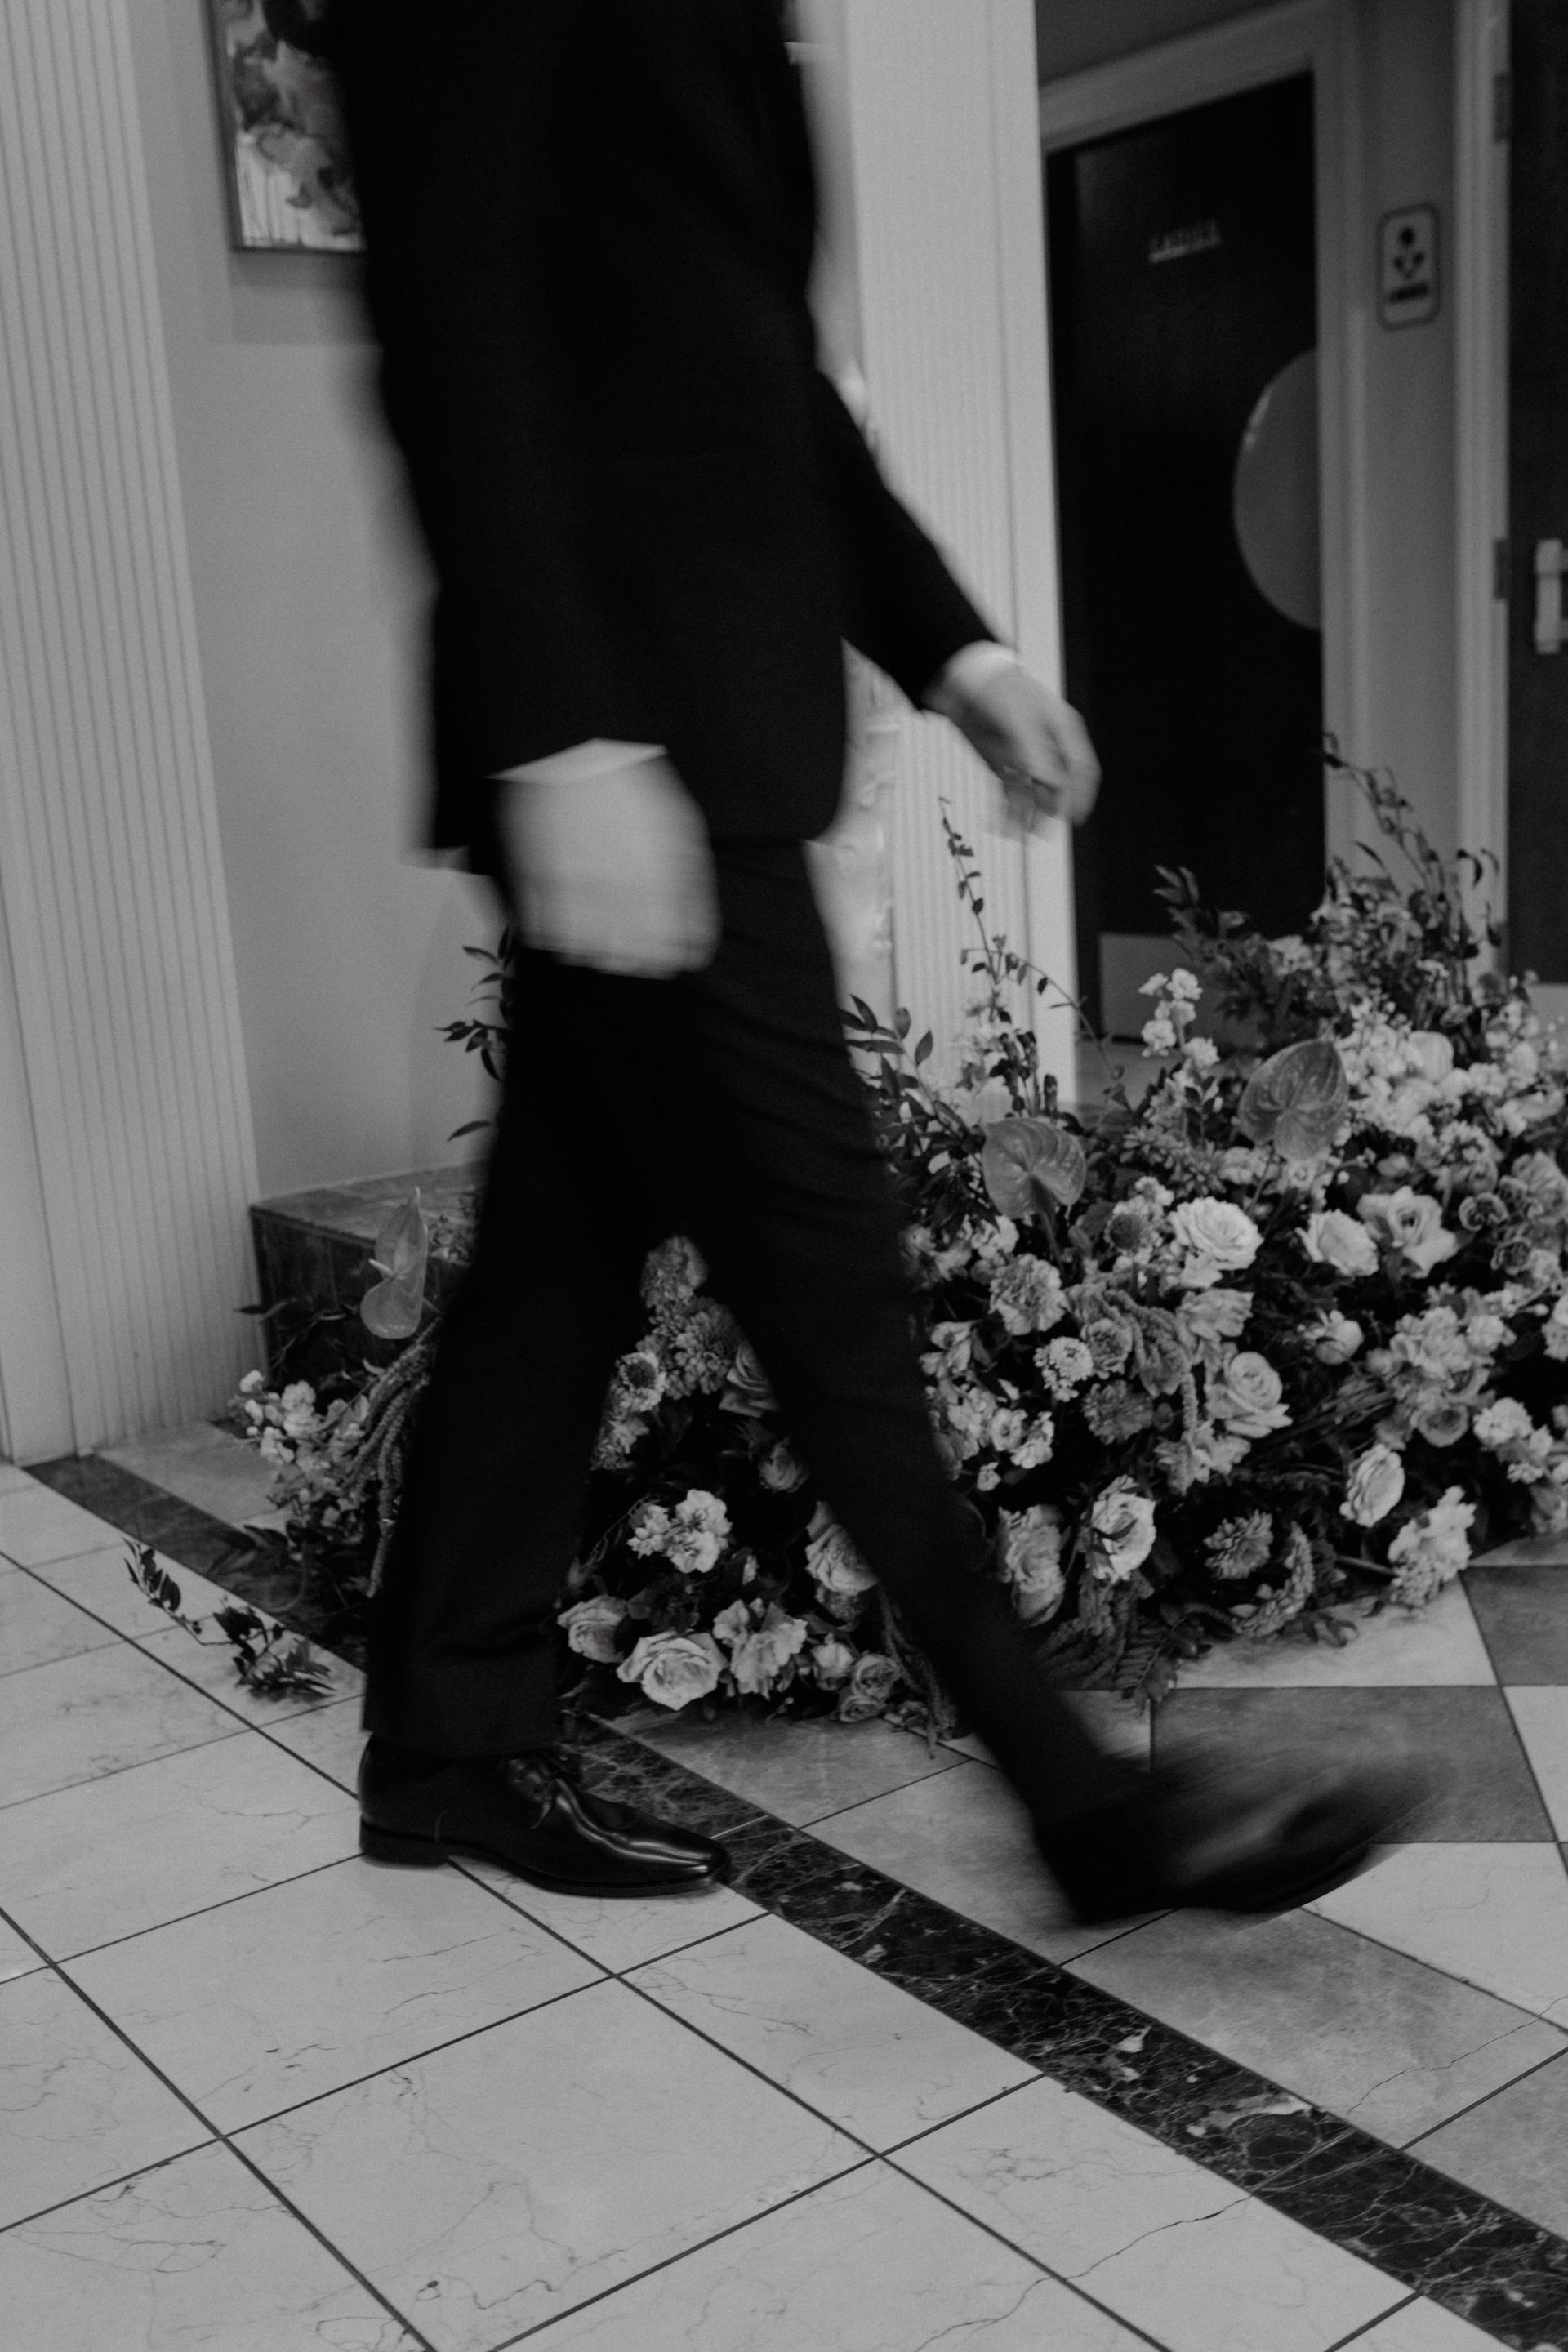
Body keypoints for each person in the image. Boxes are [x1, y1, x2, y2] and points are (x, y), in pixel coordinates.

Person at [324, 1, 1410, 1922]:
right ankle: (1092, 1815)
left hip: (700, 737)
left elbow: (766, 384)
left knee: (553, 1283)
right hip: (640, 746)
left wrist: (958, 652)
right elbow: (453, 319)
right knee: (834, 1298)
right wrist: (564, 729)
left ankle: (444, 1744)